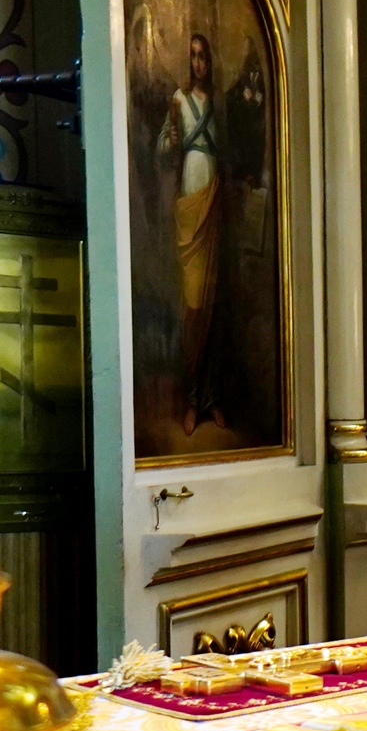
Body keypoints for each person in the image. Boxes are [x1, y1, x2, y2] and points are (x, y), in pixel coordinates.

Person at [159, 33, 225, 436]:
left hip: (214, 200)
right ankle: (190, 398)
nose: (198, 63)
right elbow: (162, 150)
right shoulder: (178, 101)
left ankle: (210, 398)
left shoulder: (218, 106)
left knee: (214, 304)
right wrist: (167, 143)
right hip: (190, 199)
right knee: (192, 303)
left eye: (204, 56)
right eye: (193, 57)